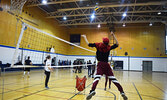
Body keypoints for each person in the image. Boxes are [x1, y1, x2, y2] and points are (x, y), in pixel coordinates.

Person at [82, 32, 128, 100]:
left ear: (103, 41)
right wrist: (113, 35)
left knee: (97, 78)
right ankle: (122, 92)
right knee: (113, 79)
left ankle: (92, 90)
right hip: (107, 65)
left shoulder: (98, 45)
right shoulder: (108, 47)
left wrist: (85, 37)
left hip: (100, 64)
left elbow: (88, 44)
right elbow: (117, 44)